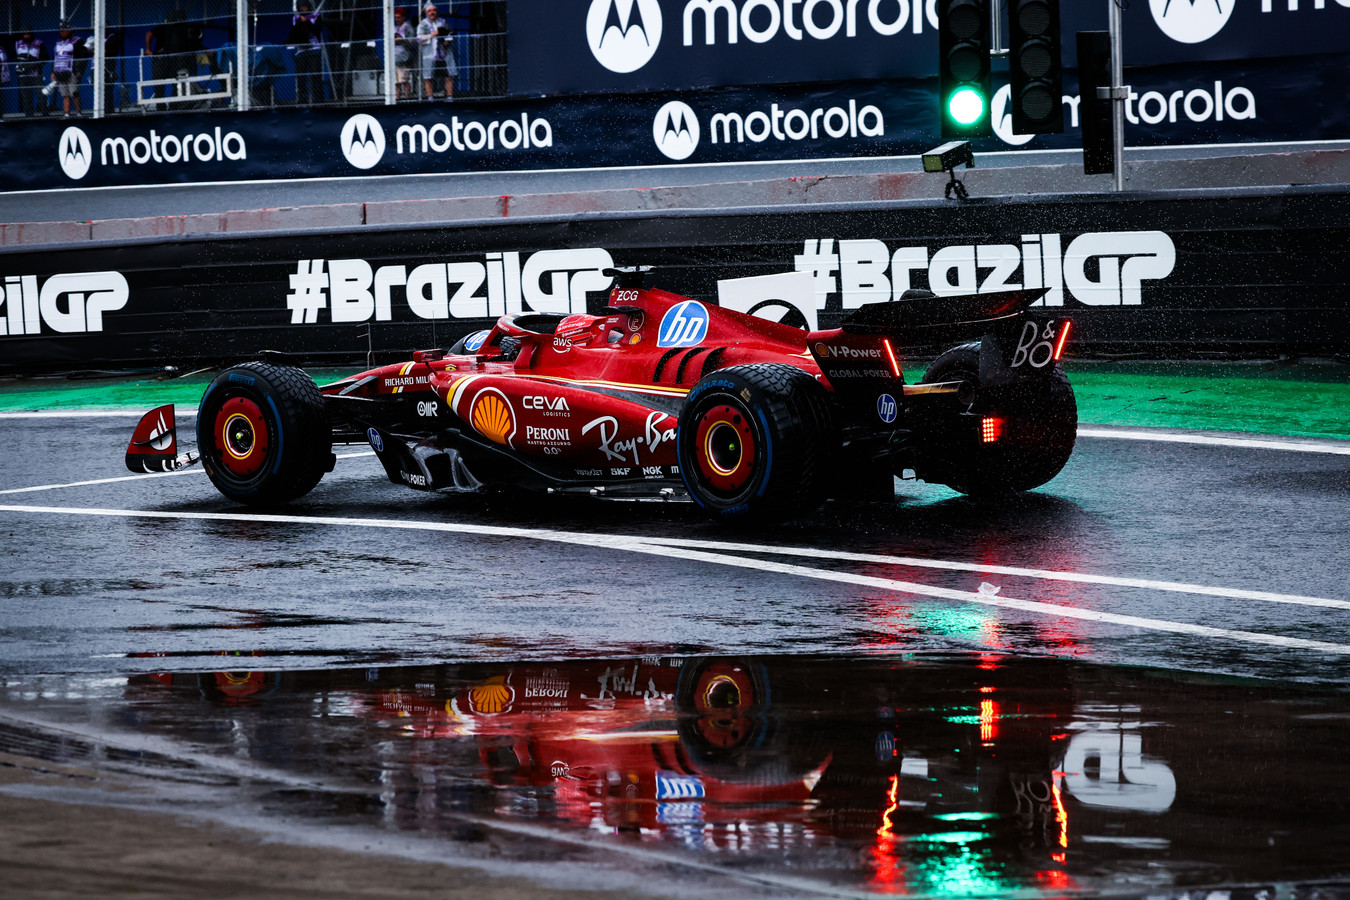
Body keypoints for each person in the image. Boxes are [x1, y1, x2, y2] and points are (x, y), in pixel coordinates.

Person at [145, 9, 201, 102]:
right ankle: (161, 105)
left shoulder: (183, 30)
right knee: (159, 85)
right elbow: (149, 34)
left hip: (173, 61)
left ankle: (174, 104)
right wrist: (148, 49)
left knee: (177, 83)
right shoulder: (163, 27)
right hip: (161, 60)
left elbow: (193, 43)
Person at [287, 1, 324, 105]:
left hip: (314, 49)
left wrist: (307, 22)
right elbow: (294, 31)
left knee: (315, 75)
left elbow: (317, 30)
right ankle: (302, 99)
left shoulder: (315, 16)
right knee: (301, 76)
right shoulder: (296, 18)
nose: (303, 9)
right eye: (301, 8)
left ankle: (318, 99)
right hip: (301, 50)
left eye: (305, 7)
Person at [417, 3, 455, 101]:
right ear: (426, 13)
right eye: (429, 11)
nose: (432, 13)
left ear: (437, 12)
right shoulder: (423, 24)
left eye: (434, 10)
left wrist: (447, 41)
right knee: (428, 77)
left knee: (448, 76)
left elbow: (451, 34)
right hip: (430, 55)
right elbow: (419, 39)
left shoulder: (443, 22)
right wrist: (433, 34)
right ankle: (430, 98)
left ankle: (450, 97)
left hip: (444, 54)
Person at [52, 21, 88, 117]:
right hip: (60, 71)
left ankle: (78, 113)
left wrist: (80, 71)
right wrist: (53, 71)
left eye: (63, 30)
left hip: (72, 71)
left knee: (74, 92)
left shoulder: (77, 41)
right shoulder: (59, 42)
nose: (61, 32)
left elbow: (83, 57)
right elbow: (56, 58)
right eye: (60, 30)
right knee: (65, 94)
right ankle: (66, 114)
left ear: (68, 30)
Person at [13, 26, 47, 118]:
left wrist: (32, 64)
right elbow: (14, 58)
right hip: (23, 75)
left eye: (28, 34)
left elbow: (45, 58)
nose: (26, 36)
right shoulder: (18, 44)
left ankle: (45, 113)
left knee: (41, 94)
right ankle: (29, 115)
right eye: (25, 34)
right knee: (26, 96)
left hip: (36, 74)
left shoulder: (39, 43)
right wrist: (19, 67)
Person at [392, 7, 415, 101]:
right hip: (394, 58)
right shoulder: (394, 28)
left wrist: (402, 40)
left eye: (399, 17)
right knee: (396, 82)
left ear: (404, 17)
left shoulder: (408, 28)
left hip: (404, 58)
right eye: (395, 18)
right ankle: (397, 98)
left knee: (404, 80)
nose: (397, 19)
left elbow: (412, 42)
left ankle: (406, 98)